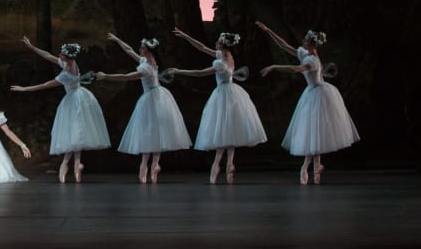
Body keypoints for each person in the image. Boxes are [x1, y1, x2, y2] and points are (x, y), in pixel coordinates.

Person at [257, 22, 360, 185]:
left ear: (311, 43)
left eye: (305, 40)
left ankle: (305, 167)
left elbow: (296, 70)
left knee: (314, 131)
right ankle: (317, 168)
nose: (303, 42)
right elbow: (285, 46)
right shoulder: (305, 54)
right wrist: (269, 31)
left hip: (319, 94)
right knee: (314, 132)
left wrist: (274, 66)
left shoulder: (312, 60)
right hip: (312, 93)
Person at [169, 28, 267, 184]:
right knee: (230, 131)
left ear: (222, 44)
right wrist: (186, 35)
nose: (216, 43)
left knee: (223, 131)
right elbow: (201, 47)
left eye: (218, 41)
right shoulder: (226, 56)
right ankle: (229, 165)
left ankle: (217, 166)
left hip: (223, 94)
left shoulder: (220, 63)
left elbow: (200, 73)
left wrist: (179, 71)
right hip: (233, 93)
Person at [11, 36, 110, 183]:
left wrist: (25, 89)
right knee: (77, 137)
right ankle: (76, 170)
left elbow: (44, 85)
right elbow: (48, 56)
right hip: (81, 98)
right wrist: (32, 47)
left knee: (73, 133)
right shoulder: (71, 63)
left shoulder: (65, 74)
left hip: (73, 101)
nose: (59, 55)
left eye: (62, 54)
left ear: (67, 57)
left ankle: (68, 168)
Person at [96, 33, 191, 184]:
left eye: (142, 48)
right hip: (159, 96)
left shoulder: (146, 67)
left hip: (152, 99)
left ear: (147, 50)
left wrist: (106, 76)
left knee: (149, 130)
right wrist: (118, 39)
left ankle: (147, 165)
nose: (139, 49)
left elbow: (126, 76)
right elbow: (129, 50)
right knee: (156, 130)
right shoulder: (150, 62)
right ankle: (154, 164)